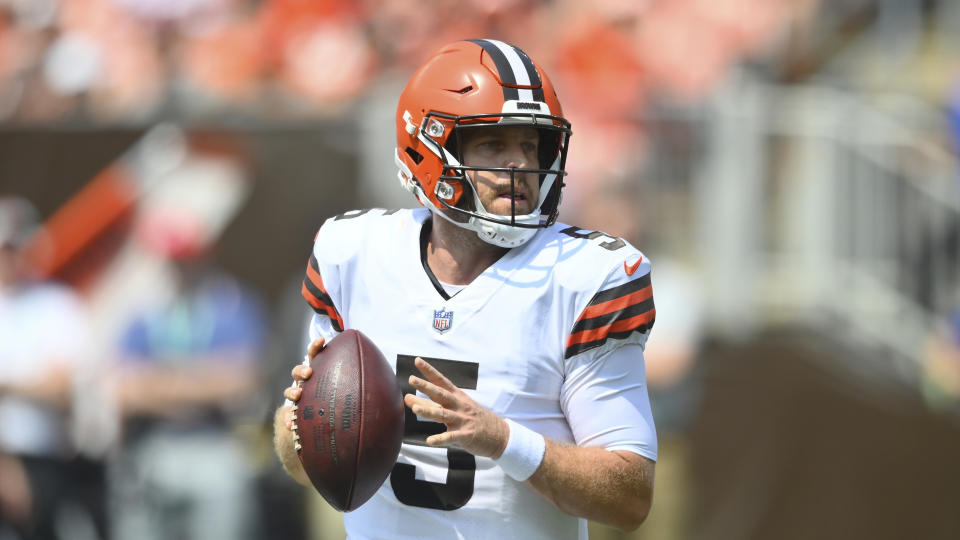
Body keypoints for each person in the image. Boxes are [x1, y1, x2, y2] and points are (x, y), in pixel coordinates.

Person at [273, 39, 658, 539]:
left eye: (531, 145)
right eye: (494, 144)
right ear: (429, 149)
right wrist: (302, 426)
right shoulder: (353, 253)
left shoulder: (584, 276)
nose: (521, 164)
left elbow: (630, 498)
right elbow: (300, 463)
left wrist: (504, 440)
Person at [0, 196, 105, 540]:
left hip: (49, 463)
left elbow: (63, 388)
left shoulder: (58, 306)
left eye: (14, 247)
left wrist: (7, 387)